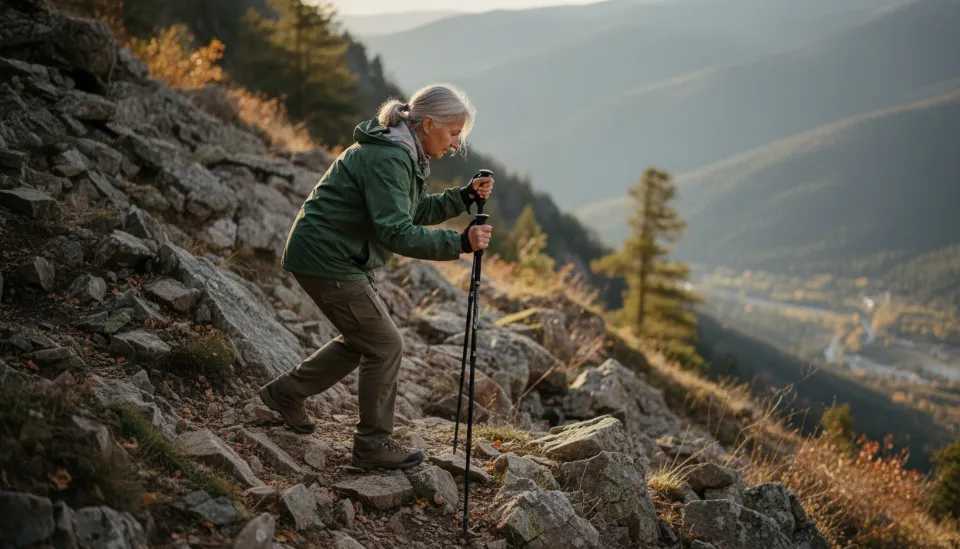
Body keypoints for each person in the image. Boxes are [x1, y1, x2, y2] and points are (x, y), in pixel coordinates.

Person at [258, 83, 495, 470]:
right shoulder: (390, 158)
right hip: (327, 256)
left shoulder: (402, 151)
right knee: (385, 345)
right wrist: (460, 243)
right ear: (428, 124)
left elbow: (411, 210)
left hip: (333, 254)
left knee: (365, 339)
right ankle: (371, 446)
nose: (456, 144)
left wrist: (463, 197)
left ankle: (285, 394)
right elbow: (396, 232)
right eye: (453, 133)